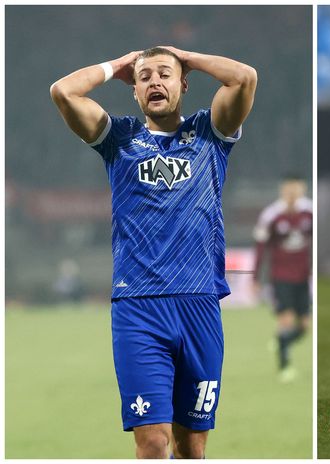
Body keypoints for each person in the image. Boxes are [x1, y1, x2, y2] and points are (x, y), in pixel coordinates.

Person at [50, 46, 257, 458]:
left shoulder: (209, 133)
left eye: (165, 74)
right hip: (138, 308)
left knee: (192, 446)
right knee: (153, 441)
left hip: (199, 304)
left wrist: (184, 57)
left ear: (183, 84)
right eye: (145, 78)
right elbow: (64, 92)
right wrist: (116, 66)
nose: (155, 82)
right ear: (135, 90)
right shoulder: (119, 140)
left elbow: (244, 78)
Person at [253, 175, 312, 381]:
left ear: (302, 189)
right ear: (282, 190)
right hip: (281, 276)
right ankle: (284, 366)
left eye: (296, 189)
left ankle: (281, 342)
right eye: (288, 189)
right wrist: (256, 278)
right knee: (285, 320)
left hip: (303, 278)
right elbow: (261, 248)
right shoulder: (271, 215)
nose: (292, 193)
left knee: (305, 326)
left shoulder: (310, 212)